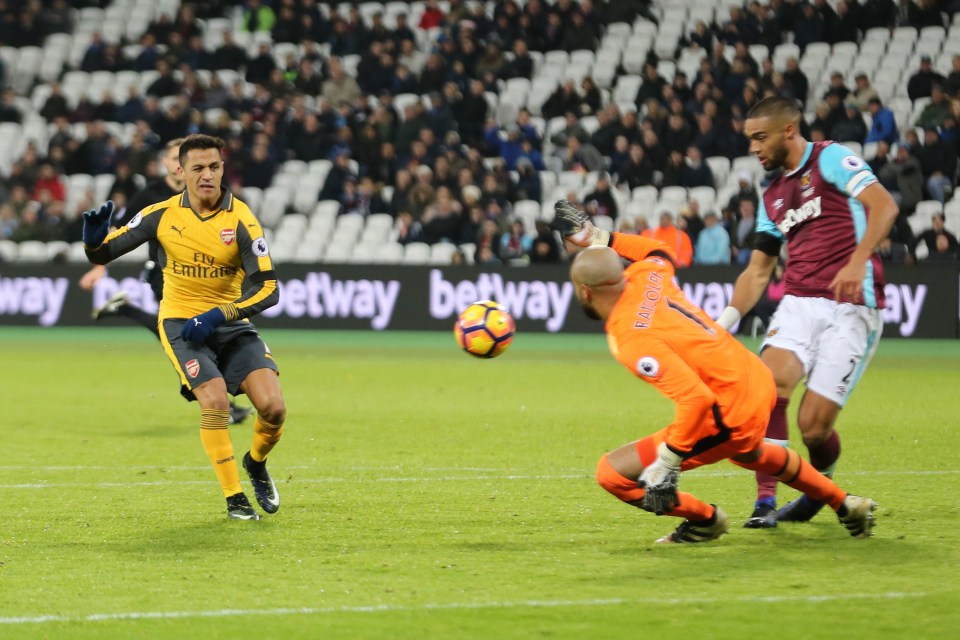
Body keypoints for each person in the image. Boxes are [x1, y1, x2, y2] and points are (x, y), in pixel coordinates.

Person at [551, 200, 877, 543]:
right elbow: (658, 249)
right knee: (750, 452)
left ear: (584, 291)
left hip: (729, 405)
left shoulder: (628, 336)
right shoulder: (647, 274)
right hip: (755, 375)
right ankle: (845, 503)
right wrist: (600, 237)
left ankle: (706, 520)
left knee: (611, 474)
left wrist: (667, 462)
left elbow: (696, 400)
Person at [81, 134, 286, 521]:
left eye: (214, 167)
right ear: (181, 170)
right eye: (198, 168)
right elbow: (106, 250)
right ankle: (234, 498)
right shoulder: (161, 214)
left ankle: (255, 463)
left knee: (274, 409)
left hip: (228, 323)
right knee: (216, 403)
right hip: (179, 323)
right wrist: (92, 245)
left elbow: (269, 288)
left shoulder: (242, 218)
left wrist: (217, 315)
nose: (207, 175)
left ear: (223, 168)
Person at [715, 96, 898, 528]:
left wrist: (858, 260)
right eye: (750, 140)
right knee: (768, 385)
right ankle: (764, 504)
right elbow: (758, 272)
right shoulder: (772, 196)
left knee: (813, 428)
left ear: (789, 131)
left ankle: (821, 485)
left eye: (760, 138)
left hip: (852, 305)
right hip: (799, 302)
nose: (755, 148)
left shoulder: (831, 158)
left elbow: (884, 206)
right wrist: (724, 321)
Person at [81, 138, 254, 426]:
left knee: (190, 333)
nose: (179, 164)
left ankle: (128, 311)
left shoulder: (209, 193)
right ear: (168, 163)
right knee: (184, 332)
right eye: (174, 158)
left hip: (206, 277)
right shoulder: (151, 194)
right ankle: (207, 392)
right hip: (164, 275)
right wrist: (100, 265)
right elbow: (119, 230)